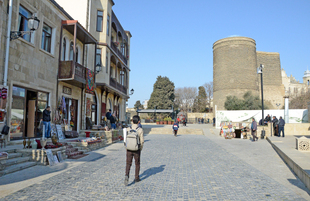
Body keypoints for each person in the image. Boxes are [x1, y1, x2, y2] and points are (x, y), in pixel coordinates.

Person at [125, 115, 144, 186]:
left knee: (128, 163)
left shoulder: (127, 129)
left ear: (132, 121)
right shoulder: (140, 130)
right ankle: (136, 177)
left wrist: (126, 147)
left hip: (129, 148)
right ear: (138, 122)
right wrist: (140, 148)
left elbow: (125, 139)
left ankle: (126, 175)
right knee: (137, 163)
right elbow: (142, 141)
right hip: (136, 149)